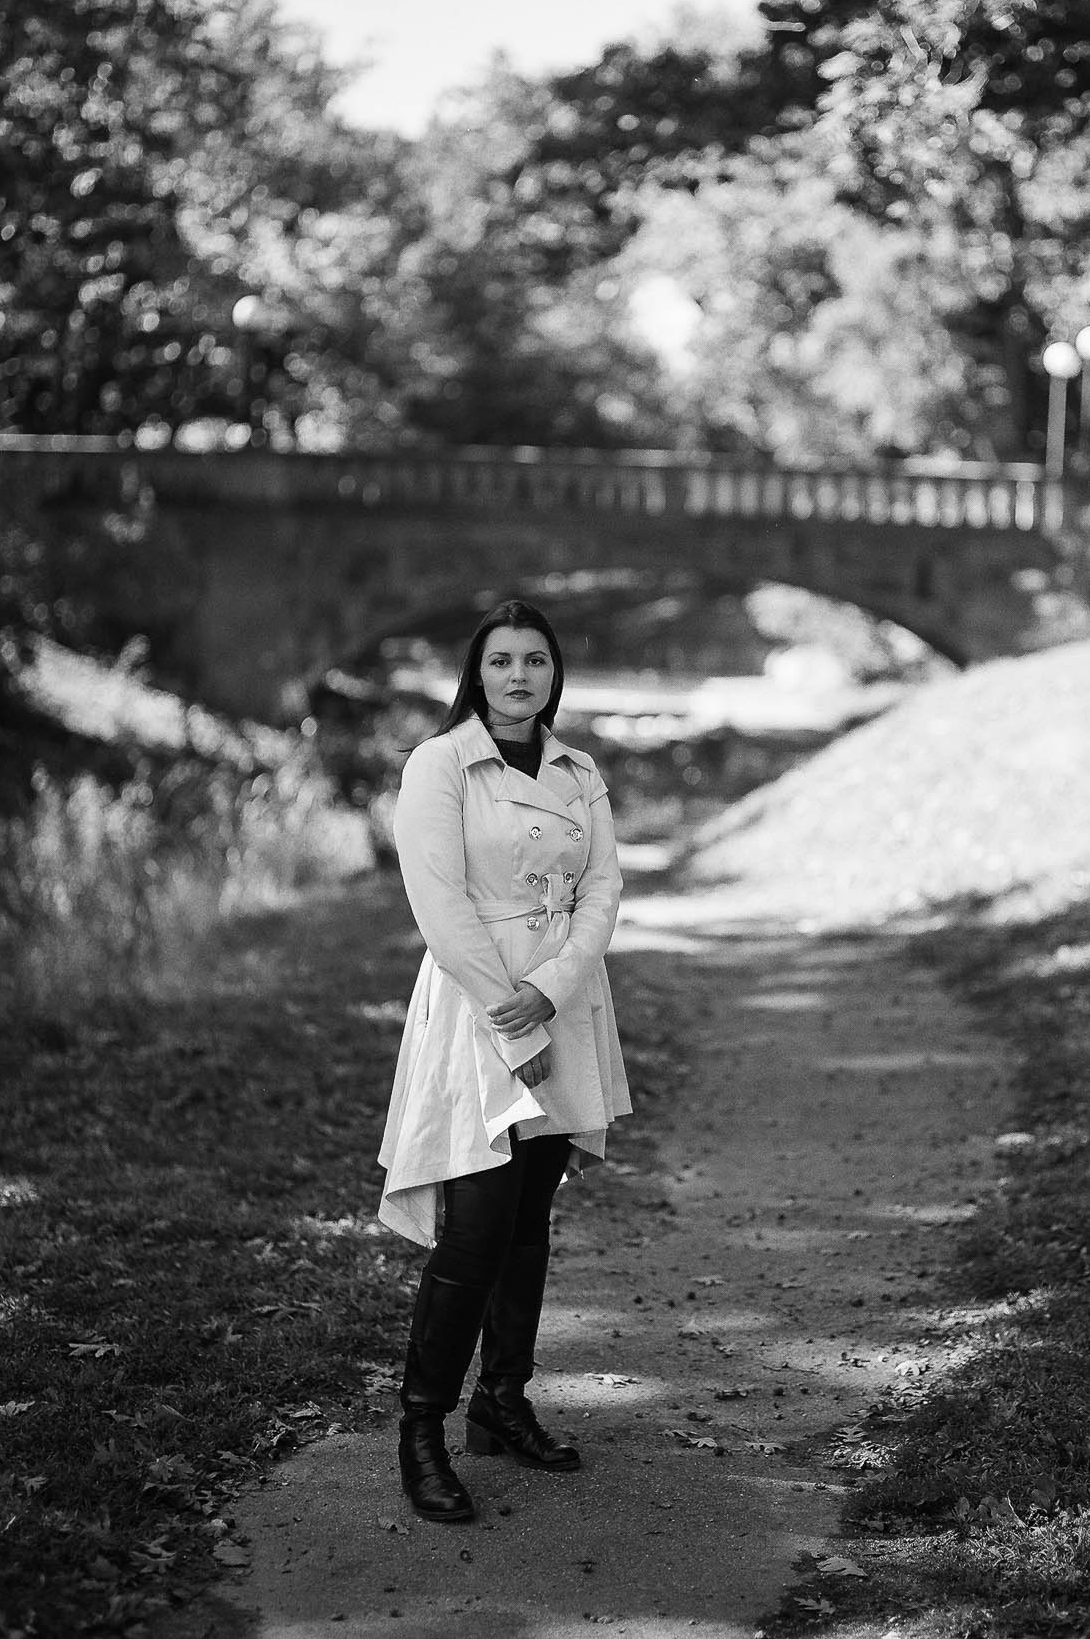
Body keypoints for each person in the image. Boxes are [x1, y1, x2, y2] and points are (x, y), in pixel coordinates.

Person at [377, 599, 632, 1523]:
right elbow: (440, 907)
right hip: (479, 1007)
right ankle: (421, 1430)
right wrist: (513, 1021)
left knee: (529, 1223)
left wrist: (557, 991)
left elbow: (602, 888)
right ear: (476, 676)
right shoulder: (439, 766)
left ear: (554, 673)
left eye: (535, 661)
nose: (519, 677)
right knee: (475, 1230)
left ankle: (502, 1402)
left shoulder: (579, 769)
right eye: (501, 663)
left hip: (562, 1001)